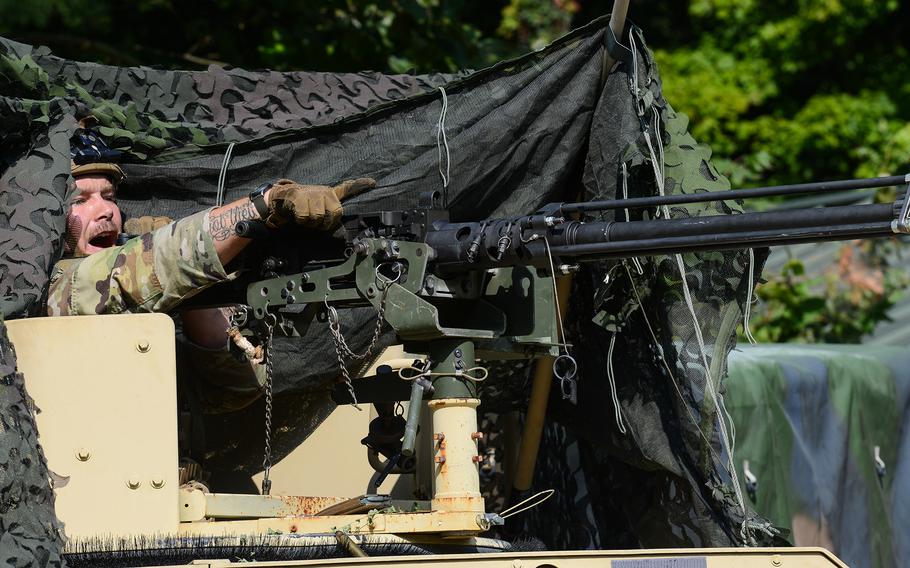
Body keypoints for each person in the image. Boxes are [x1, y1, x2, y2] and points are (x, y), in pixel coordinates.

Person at [48, 149, 374, 413]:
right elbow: (119, 275)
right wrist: (265, 203)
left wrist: (194, 286)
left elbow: (234, 390)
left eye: (109, 195)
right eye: (79, 200)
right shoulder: (32, 283)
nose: (105, 210)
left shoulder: (136, 269)